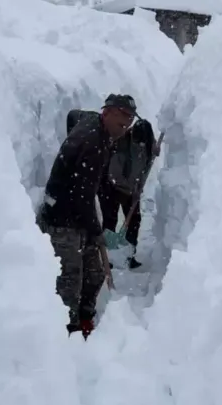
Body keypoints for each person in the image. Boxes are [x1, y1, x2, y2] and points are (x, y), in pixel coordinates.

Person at [36, 93, 138, 339]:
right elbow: (83, 199)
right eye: (121, 124)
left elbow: (73, 116)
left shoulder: (91, 120)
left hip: (77, 212)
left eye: (128, 126)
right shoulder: (94, 144)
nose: (123, 131)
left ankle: (85, 317)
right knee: (70, 279)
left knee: (94, 271)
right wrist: (97, 233)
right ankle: (67, 333)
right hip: (61, 218)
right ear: (108, 112)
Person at [98, 117, 161, 269]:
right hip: (110, 187)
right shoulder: (121, 145)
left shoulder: (146, 141)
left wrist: (155, 150)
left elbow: (152, 150)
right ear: (133, 135)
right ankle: (107, 258)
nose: (140, 145)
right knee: (110, 222)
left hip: (131, 189)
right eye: (138, 142)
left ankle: (129, 254)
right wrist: (131, 188)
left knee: (134, 221)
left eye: (143, 143)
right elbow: (114, 175)